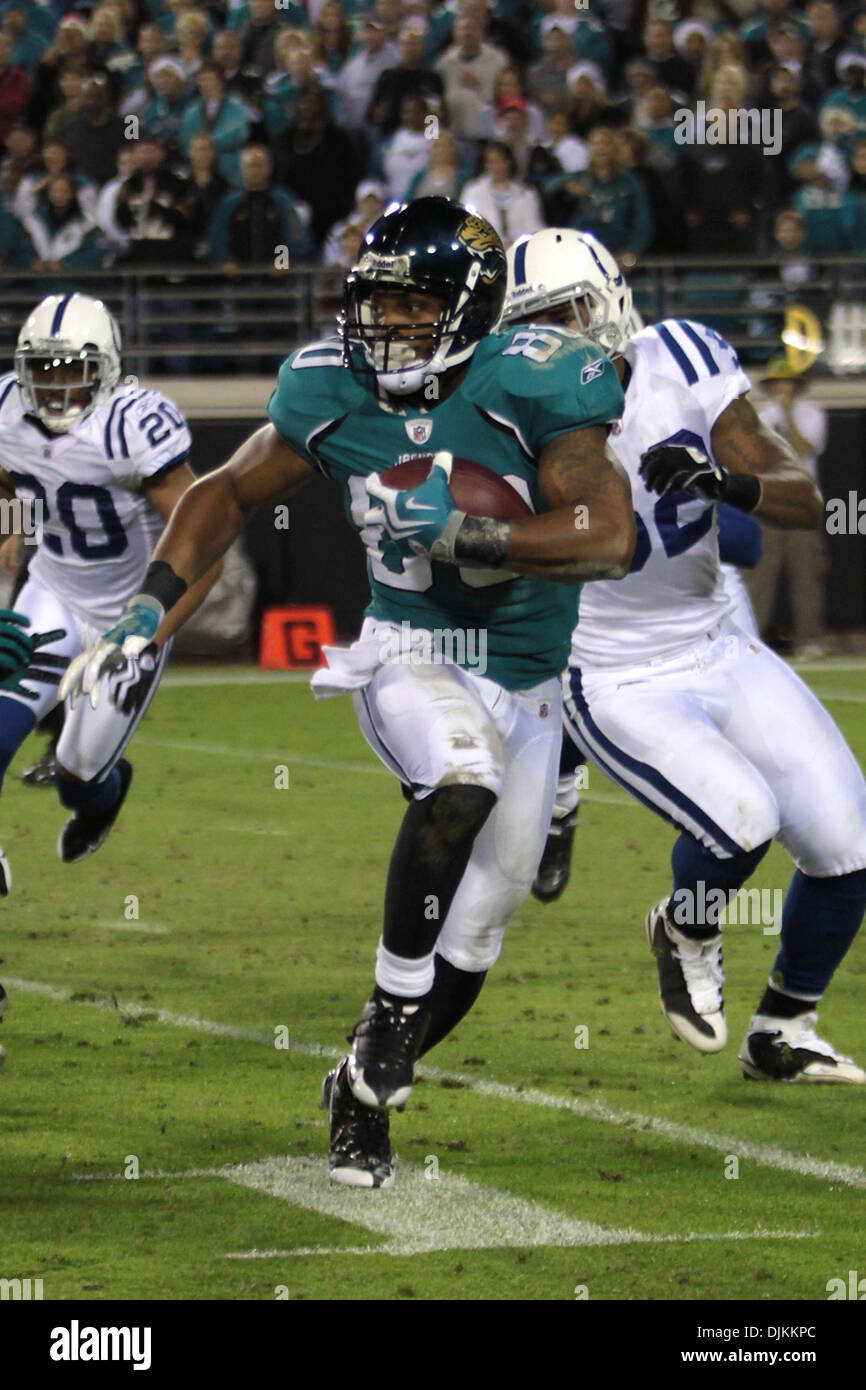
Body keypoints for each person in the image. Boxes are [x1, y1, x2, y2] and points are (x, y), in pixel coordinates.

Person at [61, 197, 635, 1188]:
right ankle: (390, 1019)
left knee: (481, 928)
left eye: (412, 308)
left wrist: (464, 535)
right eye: (374, 302)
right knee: (460, 781)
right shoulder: (329, 387)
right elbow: (223, 493)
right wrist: (138, 615)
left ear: (468, 306)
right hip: (410, 647)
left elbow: (605, 537)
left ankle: (362, 1080)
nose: (384, 327)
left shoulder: (540, 380)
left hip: (528, 675)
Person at [504, 227, 866, 1083]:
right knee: (739, 818)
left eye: (568, 313)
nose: (557, 334)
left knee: (850, 845)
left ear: (612, 304)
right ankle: (685, 927)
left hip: (716, 641)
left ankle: (783, 1026)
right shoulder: (514, 405)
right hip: (611, 670)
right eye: (537, 321)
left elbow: (802, 498)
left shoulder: (686, 356)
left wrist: (722, 480)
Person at [0, 292, 220, 917]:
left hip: (132, 606)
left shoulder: (130, 425)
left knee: (78, 775)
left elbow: (205, 550)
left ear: (108, 368)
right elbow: (9, 479)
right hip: (53, 593)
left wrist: (145, 635)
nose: (56, 384)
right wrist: (16, 522)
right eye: (43, 368)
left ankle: (106, 793)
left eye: (73, 368)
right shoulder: (5, 411)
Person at [748, 359, 829, 657]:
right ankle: (754, 640)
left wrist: (787, 415)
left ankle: (810, 640)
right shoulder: (759, 416)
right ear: (771, 387)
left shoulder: (813, 414)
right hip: (771, 501)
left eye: (788, 382)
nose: (783, 388)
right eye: (778, 382)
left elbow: (805, 447)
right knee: (760, 574)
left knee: (806, 574)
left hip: (803, 503)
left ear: (796, 386)